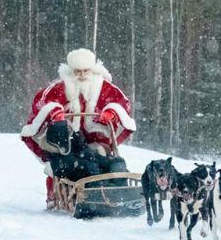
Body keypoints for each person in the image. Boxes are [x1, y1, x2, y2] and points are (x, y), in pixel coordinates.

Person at [20, 48, 137, 209]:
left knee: (106, 161)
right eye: (77, 71)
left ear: (93, 69)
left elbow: (122, 102)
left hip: (95, 141)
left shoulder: (104, 87)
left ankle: (111, 190)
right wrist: (54, 112)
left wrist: (111, 113)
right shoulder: (59, 88)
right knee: (71, 165)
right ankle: (57, 194)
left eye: (86, 71)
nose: (82, 75)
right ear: (70, 70)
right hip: (67, 141)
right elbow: (42, 103)